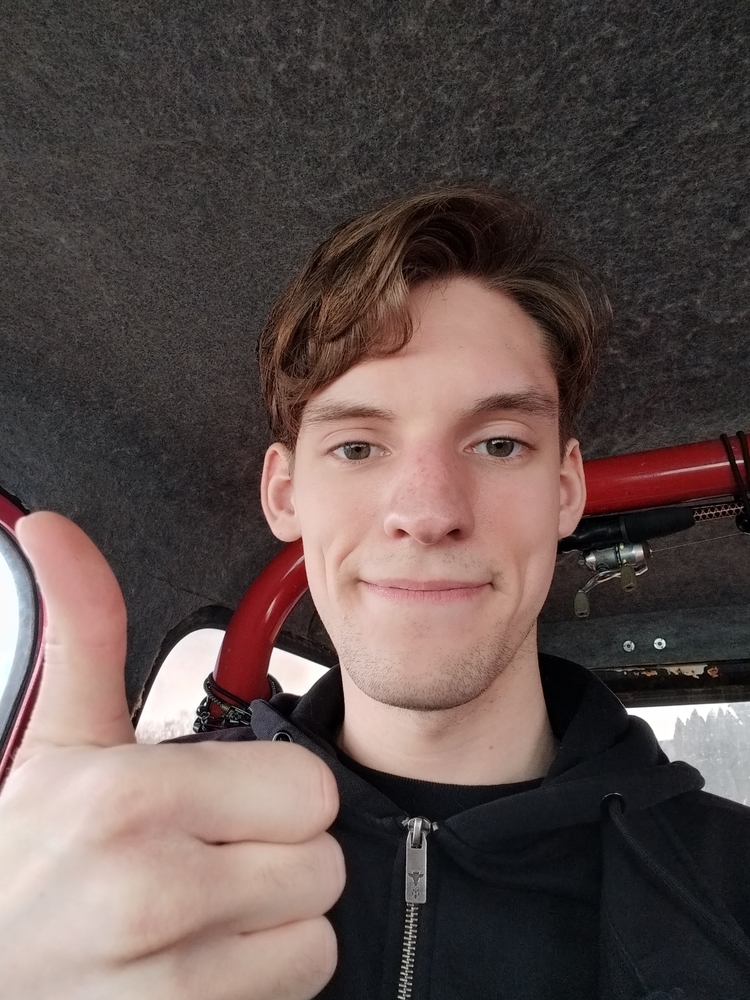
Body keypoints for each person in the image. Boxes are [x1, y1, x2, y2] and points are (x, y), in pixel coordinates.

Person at [2, 187, 750, 1000]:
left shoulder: (731, 890)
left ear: (565, 489)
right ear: (284, 494)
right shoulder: (124, 860)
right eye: (358, 447)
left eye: (500, 443)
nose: (428, 513)